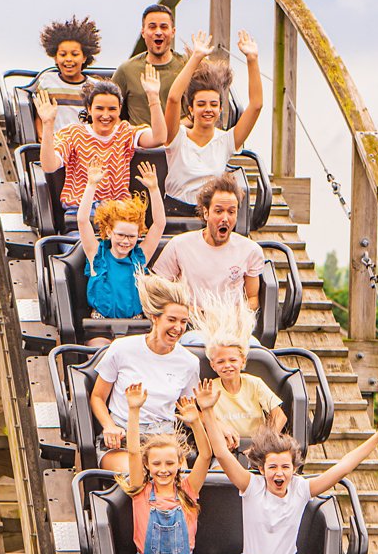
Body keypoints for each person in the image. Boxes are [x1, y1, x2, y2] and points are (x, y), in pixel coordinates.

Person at [210, 407, 378, 554]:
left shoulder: (300, 489)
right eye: (272, 467)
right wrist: (207, 412)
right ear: (261, 469)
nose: (279, 473)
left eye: (285, 467)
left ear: (294, 469)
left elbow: (343, 467)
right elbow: (221, 453)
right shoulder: (252, 487)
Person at [119, 382, 213, 554]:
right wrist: (134, 411)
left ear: (179, 464)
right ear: (148, 466)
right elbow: (132, 451)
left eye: (170, 463)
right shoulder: (141, 490)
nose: (163, 469)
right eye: (157, 464)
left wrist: (195, 422)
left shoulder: (188, 490)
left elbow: (206, 455)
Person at [90, 274, 199, 473]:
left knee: (179, 482)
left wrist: (217, 424)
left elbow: (189, 409)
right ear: (155, 318)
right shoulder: (121, 349)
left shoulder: (189, 362)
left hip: (164, 437)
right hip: (123, 434)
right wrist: (108, 426)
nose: (178, 328)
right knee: (136, 477)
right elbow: (97, 397)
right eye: (172, 320)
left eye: (183, 322)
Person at [161, 31, 264, 216]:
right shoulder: (177, 136)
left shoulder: (225, 141)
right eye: (201, 104)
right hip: (175, 212)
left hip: (209, 215)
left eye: (213, 105)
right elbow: (173, 98)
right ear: (191, 109)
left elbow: (256, 105)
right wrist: (196, 57)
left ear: (220, 110)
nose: (208, 109)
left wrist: (252, 59)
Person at [37, 79, 168, 224]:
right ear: (89, 108)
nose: (106, 115)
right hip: (82, 211)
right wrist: (48, 124)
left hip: (118, 213)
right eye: (99, 109)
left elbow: (159, 138)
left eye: (112, 109)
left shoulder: (125, 132)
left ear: (119, 109)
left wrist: (154, 98)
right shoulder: (73, 133)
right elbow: (49, 165)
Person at [76, 161, 166, 340]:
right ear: (109, 232)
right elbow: (82, 221)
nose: (126, 241)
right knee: (101, 353)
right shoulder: (97, 255)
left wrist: (154, 189)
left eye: (131, 237)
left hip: (134, 327)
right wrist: (91, 184)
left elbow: (159, 224)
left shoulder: (139, 257)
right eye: (120, 235)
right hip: (101, 326)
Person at [153, 174, 263, 312]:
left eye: (231, 212)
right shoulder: (179, 245)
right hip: (189, 323)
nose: (225, 218)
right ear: (206, 213)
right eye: (218, 211)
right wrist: (189, 310)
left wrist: (230, 314)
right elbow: (158, 290)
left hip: (229, 326)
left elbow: (253, 298)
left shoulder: (251, 250)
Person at [187, 298, 284, 454]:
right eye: (221, 362)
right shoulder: (211, 388)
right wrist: (218, 425)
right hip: (223, 447)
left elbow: (279, 416)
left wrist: (264, 444)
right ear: (213, 365)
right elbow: (195, 412)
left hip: (257, 447)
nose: (227, 366)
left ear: (242, 361)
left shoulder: (254, 383)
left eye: (232, 360)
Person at [113, 4, 184, 130]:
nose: (158, 32)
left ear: (173, 32)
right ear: (143, 32)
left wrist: (172, 129)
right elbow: (111, 110)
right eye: (152, 27)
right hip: (139, 145)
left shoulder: (187, 66)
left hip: (179, 143)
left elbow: (200, 110)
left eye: (163, 27)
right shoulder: (126, 70)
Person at [31, 15, 104, 134]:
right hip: (56, 145)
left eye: (74, 54)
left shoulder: (94, 86)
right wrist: (43, 138)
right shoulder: (47, 82)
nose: (68, 59)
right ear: (55, 57)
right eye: (63, 54)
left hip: (85, 146)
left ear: (84, 57)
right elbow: (39, 116)